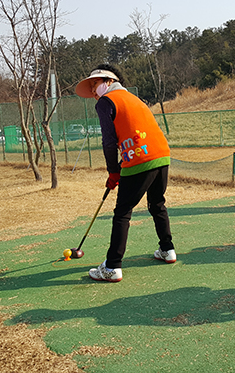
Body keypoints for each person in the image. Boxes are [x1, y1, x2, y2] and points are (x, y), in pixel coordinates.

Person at [74, 63, 175, 282]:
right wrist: (119, 167)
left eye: (95, 85)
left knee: (122, 213)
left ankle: (112, 266)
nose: (93, 92)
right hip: (162, 154)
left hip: (140, 158)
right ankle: (167, 250)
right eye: (91, 88)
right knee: (157, 204)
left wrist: (113, 171)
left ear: (109, 81)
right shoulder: (134, 99)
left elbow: (109, 142)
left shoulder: (106, 102)